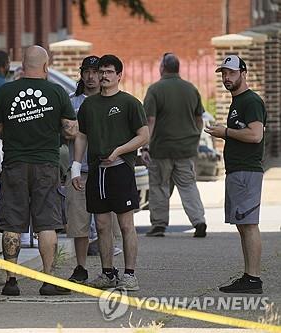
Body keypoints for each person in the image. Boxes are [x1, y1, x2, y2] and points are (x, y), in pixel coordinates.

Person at [0, 45, 78, 296]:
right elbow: (71, 129)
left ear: (22, 65)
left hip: (14, 164)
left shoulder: (6, 91)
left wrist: (11, 129)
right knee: (46, 223)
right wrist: (54, 128)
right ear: (46, 66)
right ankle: (48, 280)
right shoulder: (57, 92)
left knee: (12, 224)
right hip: (46, 165)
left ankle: (11, 281)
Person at [72, 54, 149, 291]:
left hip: (120, 170)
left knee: (126, 225)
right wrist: (76, 166)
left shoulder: (129, 103)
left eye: (108, 72)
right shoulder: (89, 105)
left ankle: (130, 274)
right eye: (101, 72)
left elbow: (143, 135)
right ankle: (107, 273)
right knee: (102, 225)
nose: (103, 76)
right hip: (96, 171)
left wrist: (119, 152)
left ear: (118, 75)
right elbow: (82, 135)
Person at [205, 55, 266, 294]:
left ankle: (253, 279)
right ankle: (249, 276)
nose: (226, 77)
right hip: (237, 171)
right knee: (243, 224)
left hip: (247, 171)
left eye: (231, 72)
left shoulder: (250, 101)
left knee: (249, 224)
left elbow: (255, 135)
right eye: (223, 73)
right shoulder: (238, 101)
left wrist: (225, 132)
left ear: (243, 72)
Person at [66, 55, 123, 284]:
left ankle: (108, 268)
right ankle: (80, 267)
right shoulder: (72, 101)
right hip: (80, 169)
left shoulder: (111, 101)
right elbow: (67, 131)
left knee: (105, 223)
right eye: (86, 72)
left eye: (95, 72)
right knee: (78, 221)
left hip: (105, 168)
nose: (91, 77)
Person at [142, 53, 207, 238]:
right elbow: (199, 119)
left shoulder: (155, 90)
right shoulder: (190, 89)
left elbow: (150, 120)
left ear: (162, 68)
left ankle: (159, 226)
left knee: (160, 186)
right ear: (178, 68)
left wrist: (145, 146)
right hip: (186, 149)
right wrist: (195, 138)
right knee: (188, 186)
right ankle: (198, 221)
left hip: (161, 149)